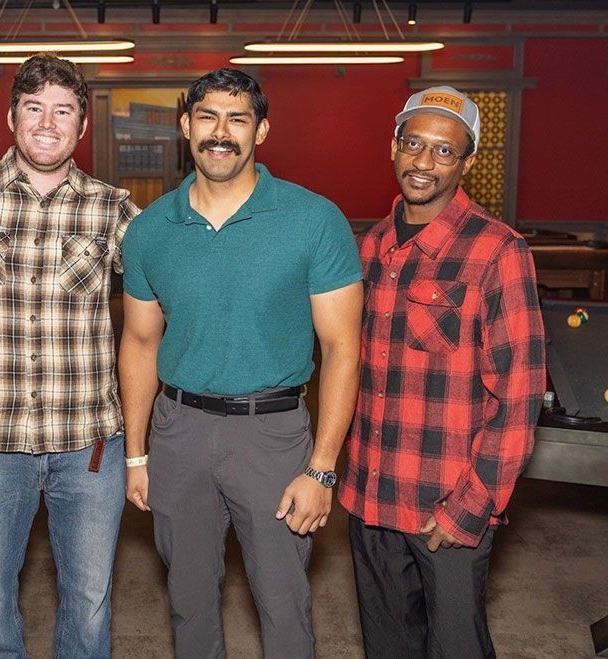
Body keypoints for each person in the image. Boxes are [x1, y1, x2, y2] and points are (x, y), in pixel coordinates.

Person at [118, 68, 363, 658]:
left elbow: (342, 350)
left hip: (273, 435)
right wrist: (136, 454)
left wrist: (322, 468)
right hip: (179, 432)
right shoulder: (150, 229)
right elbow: (140, 343)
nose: (220, 132)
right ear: (185, 127)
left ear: (261, 131)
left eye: (237, 119)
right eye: (207, 117)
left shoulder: (313, 219)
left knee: (283, 604)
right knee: (189, 601)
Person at [0, 54, 139, 658]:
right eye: (35, 108)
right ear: (11, 117)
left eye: (63, 110)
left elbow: (172, 298)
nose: (48, 123)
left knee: (90, 598)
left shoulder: (113, 207)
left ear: (81, 126)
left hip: (90, 442)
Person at [339, 86, 546, 658]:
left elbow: (520, 396)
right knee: (387, 648)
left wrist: (473, 506)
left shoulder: (498, 252)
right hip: (370, 497)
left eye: (444, 151)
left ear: (467, 162)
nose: (423, 162)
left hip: (446, 505)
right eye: (413, 144)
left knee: (456, 648)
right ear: (393, 147)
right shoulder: (370, 247)